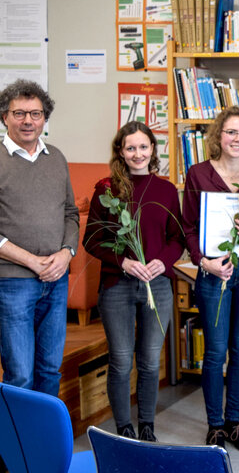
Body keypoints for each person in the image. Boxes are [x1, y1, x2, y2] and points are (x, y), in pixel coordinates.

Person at [83, 121, 183, 441]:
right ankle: (124, 427)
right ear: (120, 152)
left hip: (158, 285)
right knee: (122, 360)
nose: (137, 153)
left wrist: (161, 262)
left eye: (143, 147)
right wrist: (123, 260)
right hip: (117, 286)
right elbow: (92, 239)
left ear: (153, 149)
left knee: (151, 361)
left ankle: (147, 426)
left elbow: (176, 238)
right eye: (130, 148)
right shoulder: (106, 189)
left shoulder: (166, 190)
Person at [182, 106, 239, 451]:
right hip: (213, 268)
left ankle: (234, 422)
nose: (238, 139)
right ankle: (215, 426)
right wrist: (204, 262)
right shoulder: (198, 173)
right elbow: (188, 226)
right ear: (219, 135)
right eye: (232, 132)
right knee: (216, 351)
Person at [0, 79, 79, 395]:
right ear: (4, 117)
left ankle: (44, 442)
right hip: (13, 282)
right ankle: (18, 444)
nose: (28, 121)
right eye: (19, 113)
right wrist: (32, 261)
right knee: (20, 376)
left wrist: (66, 253)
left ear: (45, 118)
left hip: (56, 279)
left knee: (49, 371)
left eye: (36, 114)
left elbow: (70, 213)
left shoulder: (56, 157)